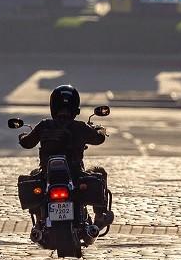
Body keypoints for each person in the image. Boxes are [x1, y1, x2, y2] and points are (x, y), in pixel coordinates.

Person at [18, 84, 113, 229]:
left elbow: (27, 143)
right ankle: (100, 216)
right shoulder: (80, 127)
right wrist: (100, 130)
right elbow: (99, 139)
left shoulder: (44, 125)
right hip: (75, 174)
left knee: (34, 176)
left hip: (48, 175)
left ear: (53, 106)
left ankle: (39, 220)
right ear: (76, 107)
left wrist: (22, 136)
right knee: (99, 171)